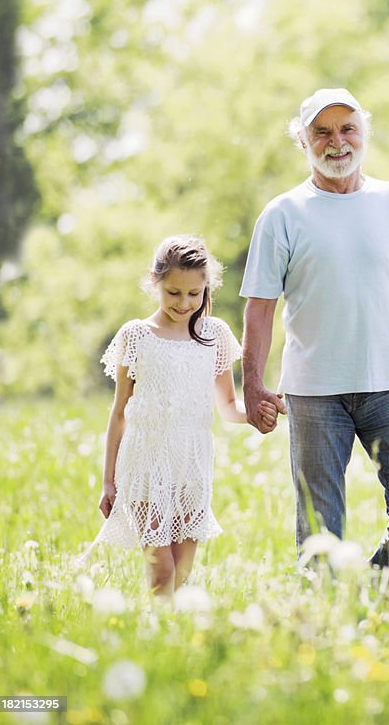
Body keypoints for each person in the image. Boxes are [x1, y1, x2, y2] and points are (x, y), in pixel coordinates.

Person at [240, 87, 389, 571]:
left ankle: (377, 586)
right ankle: (323, 627)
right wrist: (253, 385)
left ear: (364, 134)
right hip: (314, 393)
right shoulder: (282, 215)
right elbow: (259, 308)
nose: (336, 141)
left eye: (347, 129)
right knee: (319, 530)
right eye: (321, 132)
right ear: (303, 142)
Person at [92, 236, 278, 597]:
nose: (184, 303)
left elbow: (227, 406)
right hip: (145, 463)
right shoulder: (136, 336)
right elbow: (119, 414)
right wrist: (108, 482)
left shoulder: (214, 335)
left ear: (206, 287)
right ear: (154, 282)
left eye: (194, 294)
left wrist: (256, 414)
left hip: (191, 465)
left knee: (182, 570)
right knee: (161, 569)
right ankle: (156, 630)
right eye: (174, 293)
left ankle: (164, 633)